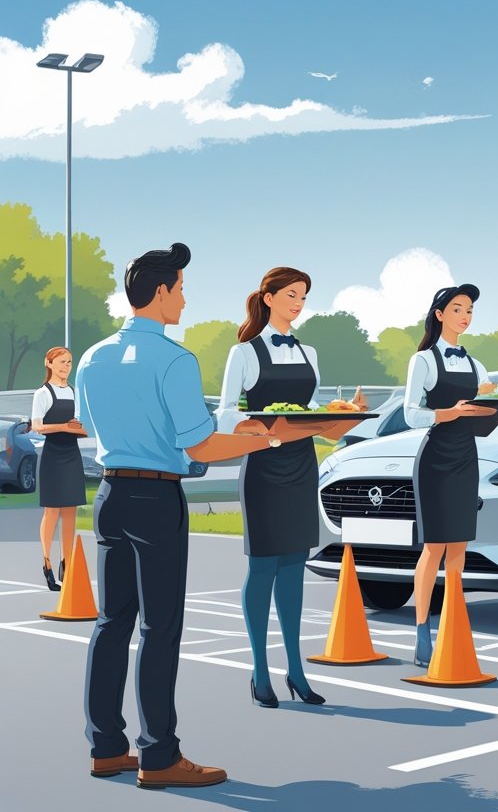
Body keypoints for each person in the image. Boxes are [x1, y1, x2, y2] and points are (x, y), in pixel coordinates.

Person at [75, 243, 284, 789]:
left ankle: (105, 747)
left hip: (110, 497)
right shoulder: (174, 359)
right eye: (183, 289)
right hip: (155, 501)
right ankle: (159, 755)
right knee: (160, 628)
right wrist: (258, 441)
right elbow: (199, 445)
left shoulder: (93, 357)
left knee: (110, 624)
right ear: (162, 291)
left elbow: (89, 426)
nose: (186, 300)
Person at [217, 267, 365, 708]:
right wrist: (268, 432)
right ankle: (260, 670)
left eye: (303, 296)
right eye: (291, 295)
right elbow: (226, 415)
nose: (299, 303)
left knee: (294, 567)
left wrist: (347, 414)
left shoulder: (309, 352)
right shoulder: (242, 353)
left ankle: (296, 671)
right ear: (268, 298)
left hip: (301, 466)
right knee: (263, 566)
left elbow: (315, 413)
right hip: (263, 465)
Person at [403, 285, 497, 666]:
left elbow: (490, 406)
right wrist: (449, 413)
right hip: (436, 457)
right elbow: (410, 413)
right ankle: (422, 630)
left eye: (470, 310)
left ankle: (453, 624)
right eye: (458, 308)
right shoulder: (423, 360)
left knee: (458, 547)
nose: (465, 316)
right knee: (434, 546)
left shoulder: (477, 366)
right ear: (439, 314)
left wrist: (495, 408)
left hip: (466, 457)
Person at [31, 347, 88, 591]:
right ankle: (47, 564)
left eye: (70, 362)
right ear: (49, 363)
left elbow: (78, 425)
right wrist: (65, 427)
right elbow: (37, 426)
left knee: (70, 512)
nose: (67, 367)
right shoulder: (42, 393)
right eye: (62, 362)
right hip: (53, 457)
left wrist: (76, 427)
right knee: (52, 512)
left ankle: (67, 563)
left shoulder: (73, 392)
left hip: (72, 455)